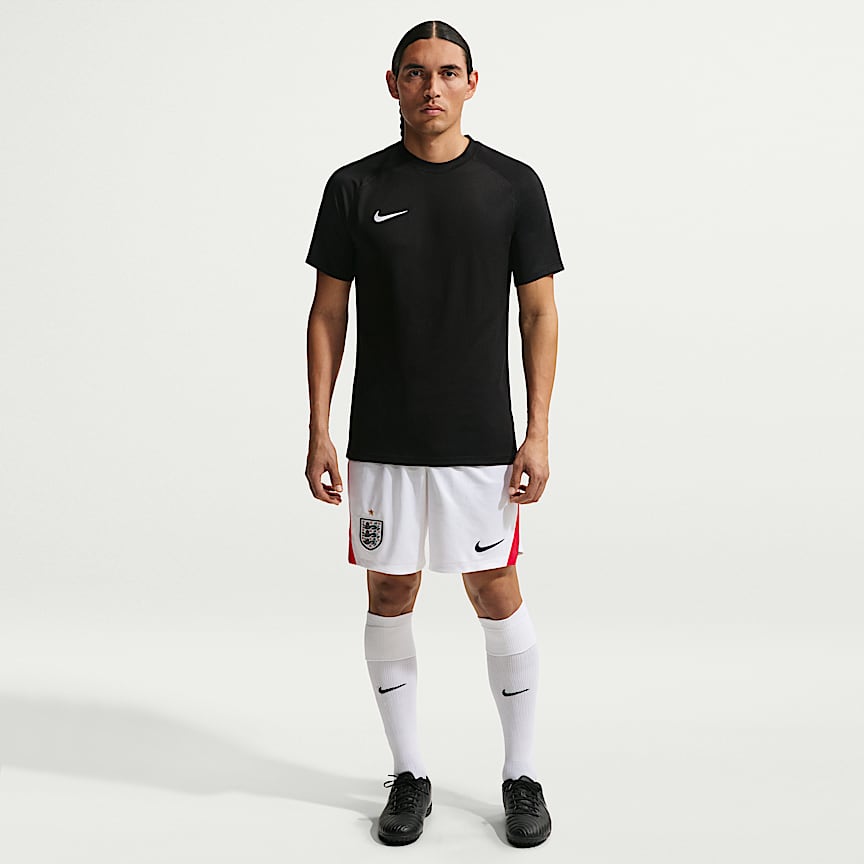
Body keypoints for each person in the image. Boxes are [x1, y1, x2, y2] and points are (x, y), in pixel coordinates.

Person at [304, 20, 562, 848]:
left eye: (448, 72)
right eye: (415, 73)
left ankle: (521, 776)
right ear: (393, 85)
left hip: (480, 440)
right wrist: (318, 427)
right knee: (390, 593)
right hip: (382, 438)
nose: (432, 87)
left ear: (472, 84)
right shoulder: (354, 186)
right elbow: (328, 313)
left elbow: (538, 312)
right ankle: (409, 774)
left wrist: (538, 432)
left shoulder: (513, 185)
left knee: (495, 590)